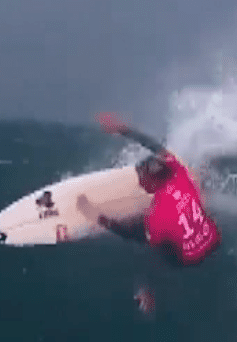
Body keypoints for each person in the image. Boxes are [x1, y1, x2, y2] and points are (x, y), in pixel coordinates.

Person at [76, 111, 220, 313]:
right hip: (213, 239)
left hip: (188, 258)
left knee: (150, 250)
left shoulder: (157, 217)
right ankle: (201, 194)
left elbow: (129, 233)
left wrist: (95, 215)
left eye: (142, 179)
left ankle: (149, 295)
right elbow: (155, 147)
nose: (139, 181)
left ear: (155, 181)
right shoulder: (179, 173)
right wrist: (121, 128)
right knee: (194, 194)